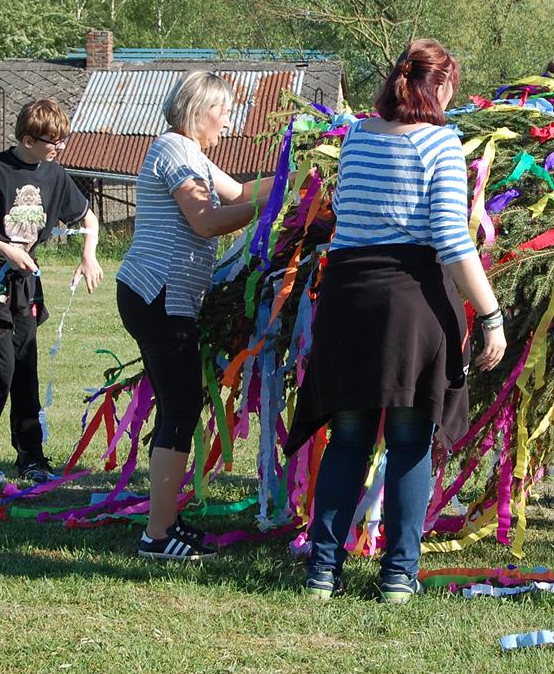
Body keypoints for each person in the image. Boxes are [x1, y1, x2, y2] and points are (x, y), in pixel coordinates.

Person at [286, 38, 506, 603]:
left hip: (349, 297)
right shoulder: (440, 142)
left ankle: (322, 572)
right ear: (441, 87)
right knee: (410, 441)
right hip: (409, 301)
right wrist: (491, 315)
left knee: (349, 438)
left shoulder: (356, 136)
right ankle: (398, 576)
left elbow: (351, 215)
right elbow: (453, 242)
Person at [117, 71, 262, 561]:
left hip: (163, 296)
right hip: (159, 296)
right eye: (223, 112)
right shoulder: (175, 150)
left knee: (179, 407)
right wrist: (275, 203)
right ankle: (157, 537)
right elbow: (205, 221)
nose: (228, 121)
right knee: (179, 409)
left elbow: (239, 194)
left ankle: (165, 523)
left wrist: (299, 173)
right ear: (199, 111)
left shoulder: (190, 153)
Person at [0, 98, 103, 486]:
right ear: (29, 139)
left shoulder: (54, 174)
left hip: (26, 285)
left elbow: (88, 216)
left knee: (26, 370)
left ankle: (31, 458)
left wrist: (88, 254)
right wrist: (6, 249)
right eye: (53, 142)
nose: (59, 148)